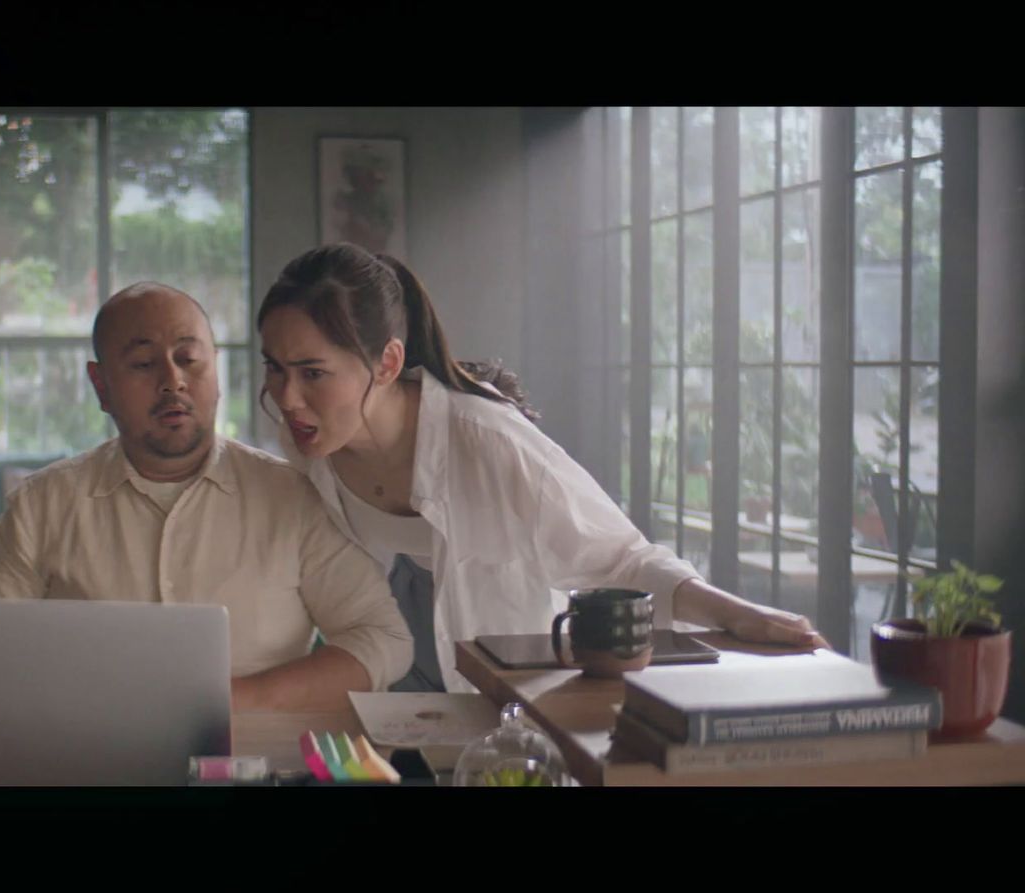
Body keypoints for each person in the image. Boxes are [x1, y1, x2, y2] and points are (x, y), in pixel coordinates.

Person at [256, 242, 828, 694]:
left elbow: (621, 560)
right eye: (276, 369)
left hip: (500, 681)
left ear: (387, 363)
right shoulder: (308, 439)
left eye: (312, 373)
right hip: (387, 674)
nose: (287, 397)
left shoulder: (487, 440)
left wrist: (740, 614)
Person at [0, 281, 413, 711]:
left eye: (189, 359)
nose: (172, 381)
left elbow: (381, 638)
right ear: (102, 387)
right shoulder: (44, 504)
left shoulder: (292, 497)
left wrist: (242, 700)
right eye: (143, 364)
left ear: (216, 372)